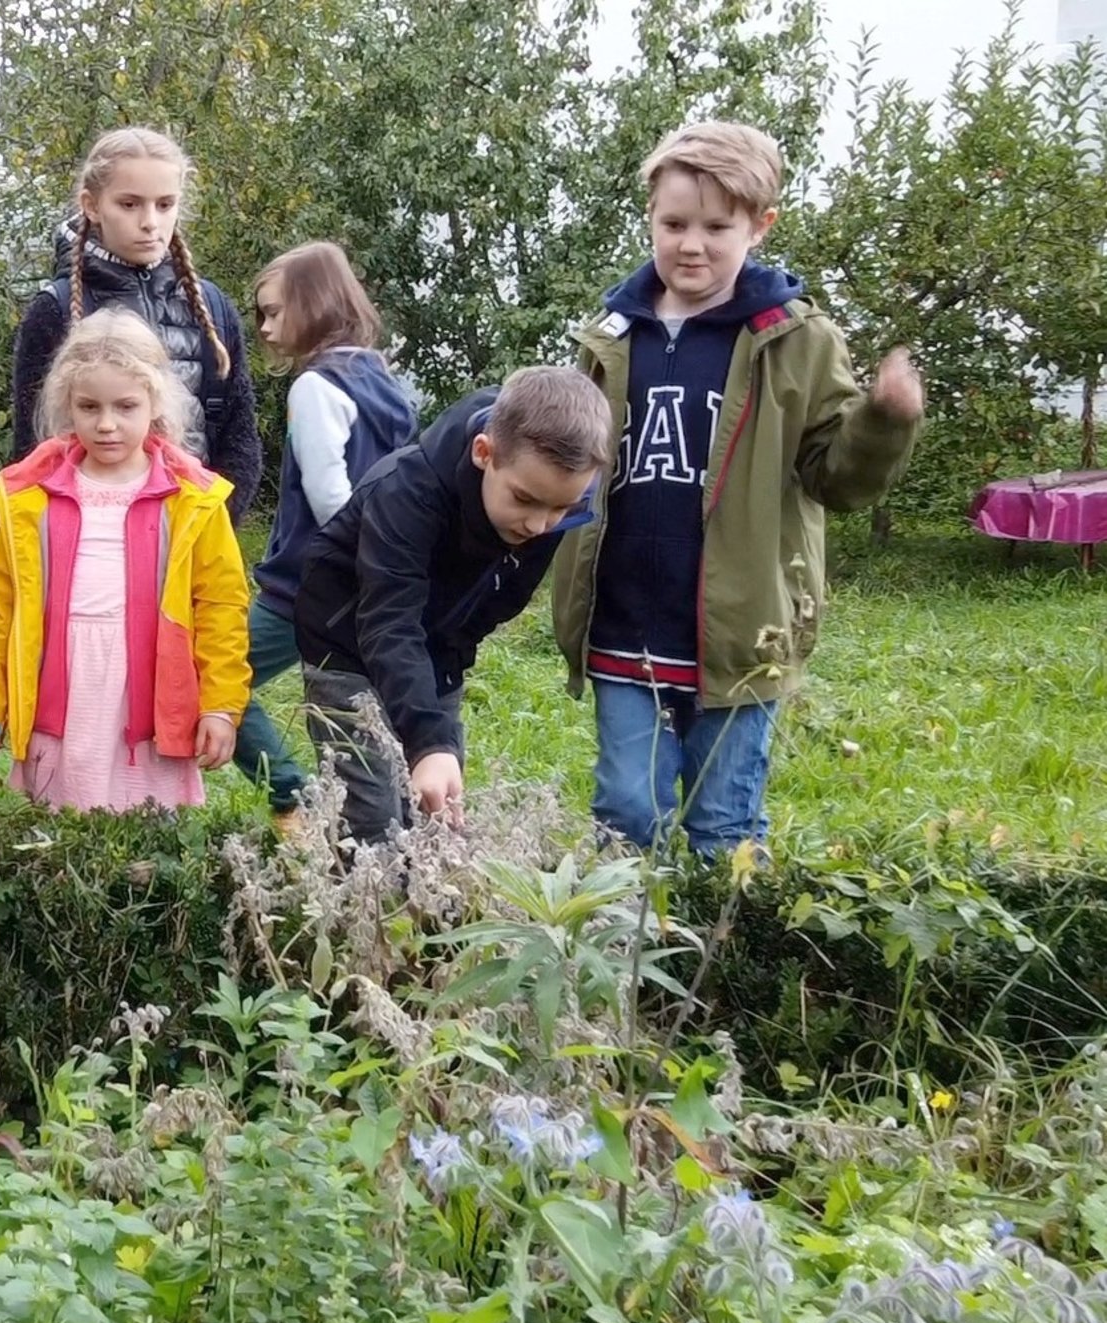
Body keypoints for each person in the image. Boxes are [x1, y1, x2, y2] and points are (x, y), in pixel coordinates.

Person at [551, 121, 923, 854]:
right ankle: (624, 958)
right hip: (626, 623)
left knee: (722, 825)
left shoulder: (797, 338)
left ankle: (718, 965)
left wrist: (882, 422)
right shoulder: (610, 335)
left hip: (744, 631)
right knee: (625, 814)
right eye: (674, 223)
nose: (692, 243)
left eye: (717, 226)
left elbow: (835, 478)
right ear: (650, 219)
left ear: (760, 226)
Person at [292, 367, 613, 842]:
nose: (540, 525)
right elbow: (389, 622)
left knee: (437, 809)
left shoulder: (544, 511)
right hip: (345, 646)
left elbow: (498, 604)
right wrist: (427, 740)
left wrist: (435, 734)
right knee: (374, 813)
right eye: (525, 500)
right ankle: (366, 905)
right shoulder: (406, 491)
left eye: (561, 508)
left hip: (438, 648)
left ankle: (433, 910)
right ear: (485, 453)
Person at [0, 310, 250, 811]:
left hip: (148, 690)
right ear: (66, 405)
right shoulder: (29, 496)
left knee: (146, 838)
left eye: (126, 406)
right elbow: (2, 606)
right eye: (89, 406)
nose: (107, 424)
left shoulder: (193, 501)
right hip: (64, 687)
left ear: (155, 403)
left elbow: (221, 608)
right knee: (61, 831)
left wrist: (222, 707)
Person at [237, 241, 419, 836]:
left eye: (273, 311)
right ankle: (401, 829)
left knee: (204, 679)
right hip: (375, 587)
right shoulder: (386, 381)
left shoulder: (314, 387)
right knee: (375, 720)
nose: (264, 328)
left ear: (311, 305)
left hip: (303, 587)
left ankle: (296, 797)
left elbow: (330, 499)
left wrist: (354, 563)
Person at [8, 127, 262, 523]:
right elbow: (32, 446)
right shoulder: (54, 309)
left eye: (165, 205)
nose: (149, 222)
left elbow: (239, 435)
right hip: (89, 535)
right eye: (129, 204)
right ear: (92, 205)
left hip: (194, 529)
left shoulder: (211, 307)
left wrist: (211, 525)